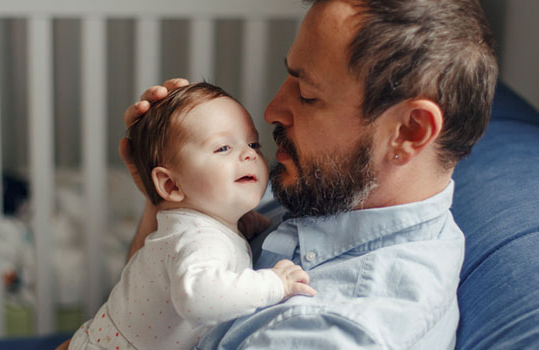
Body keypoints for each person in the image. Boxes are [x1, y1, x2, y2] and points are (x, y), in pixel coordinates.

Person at [120, 0, 497, 348]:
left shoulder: (321, 330)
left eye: (307, 94)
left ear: (410, 131)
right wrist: (176, 206)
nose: (271, 111)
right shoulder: (331, 191)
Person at [64, 83, 316, 350]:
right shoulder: (199, 237)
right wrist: (274, 284)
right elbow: (198, 297)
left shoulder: (201, 221)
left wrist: (238, 222)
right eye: (222, 148)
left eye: (253, 143)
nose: (249, 154)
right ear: (171, 185)